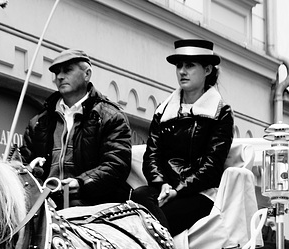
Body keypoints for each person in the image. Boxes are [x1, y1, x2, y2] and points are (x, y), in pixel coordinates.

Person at [132, 39, 234, 236]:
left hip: (200, 194)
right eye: (179, 66)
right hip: (163, 191)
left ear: (207, 70)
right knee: (137, 196)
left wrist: (178, 190)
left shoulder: (220, 113)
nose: (182, 71)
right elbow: (151, 157)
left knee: (150, 218)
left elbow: (211, 167)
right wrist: (162, 185)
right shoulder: (163, 111)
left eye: (189, 65)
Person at [20, 48, 132, 208]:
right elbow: (22, 164)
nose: (59, 76)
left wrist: (80, 183)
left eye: (67, 70)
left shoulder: (110, 116)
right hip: (42, 206)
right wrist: (29, 169)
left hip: (92, 206)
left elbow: (116, 165)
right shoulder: (39, 122)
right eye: (57, 72)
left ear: (87, 74)